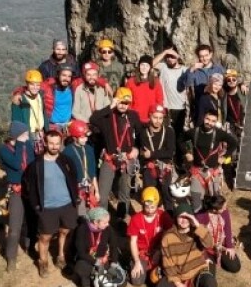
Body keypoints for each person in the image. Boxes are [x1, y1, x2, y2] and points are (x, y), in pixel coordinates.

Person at [24, 130, 80, 277]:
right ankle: (43, 262)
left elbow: (74, 179)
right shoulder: (36, 165)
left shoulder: (67, 160)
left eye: (57, 143)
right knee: (45, 237)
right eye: (51, 143)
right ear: (45, 143)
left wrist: (75, 198)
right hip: (47, 207)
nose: (54, 147)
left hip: (67, 204)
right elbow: (29, 186)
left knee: (65, 231)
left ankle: (61, 256)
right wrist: (36, 206)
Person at [154, 209, 218, 287]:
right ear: (175, 218)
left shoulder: (198, 230)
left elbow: (210, 244)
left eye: (187, 217)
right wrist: (178, 284)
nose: (184, 220)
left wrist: (197, 224)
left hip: (197, 270)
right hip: (178, 275)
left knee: (211, 285)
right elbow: (167, 263)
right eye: (181, 217)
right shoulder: (168, 237)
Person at [90, 87, 143, 216]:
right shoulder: (107, 116)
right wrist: (111, 106)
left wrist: (137, 149)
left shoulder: (133, 116)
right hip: (110, 159)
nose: (123, 106)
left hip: (127, 159)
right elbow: (93, 119)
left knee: (124, 193)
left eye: (126, 103)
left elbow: (141, 135)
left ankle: (121, 217)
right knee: (103, 195)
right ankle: (102, 219)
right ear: (115, 101)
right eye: (120, 102)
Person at [181, 109, 237, 212]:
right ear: (203, 118)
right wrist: (186, 152)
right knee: (196, 201)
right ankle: (200, 220)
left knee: (216, 202)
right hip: (197, 172)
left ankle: (215, 222)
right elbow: (180, 139)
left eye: (213, 121)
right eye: (207, 119)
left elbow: (234, 143)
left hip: (213, 172)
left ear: (216, 122)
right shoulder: (194, 132)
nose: (209, 123)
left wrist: (225, 156)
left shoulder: (219, 134)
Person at [0, 121, 34, 272]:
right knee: (14, 226)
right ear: (18, 135)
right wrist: (19, 144)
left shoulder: (28, 145)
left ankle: (29, 247)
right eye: (25, 133)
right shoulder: (3, 149)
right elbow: (16, 164)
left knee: (31, 222)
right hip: (16, 190)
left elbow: (32, 164)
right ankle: (11, 257)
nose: (28, 136)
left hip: (30, 189)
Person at [127, 186, 173, 286]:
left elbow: (171, 234)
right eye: (146, 207)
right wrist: (137, 261)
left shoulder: (163, 215)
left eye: (152, 207)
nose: (149, 210)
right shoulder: (136, 219)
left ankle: (152, 273)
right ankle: (136, 265)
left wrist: (160, 250)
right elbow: (133, 242)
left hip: (159, 251)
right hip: (142, 253)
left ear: (157, 205)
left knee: (159, 279)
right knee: (137, 281)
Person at [138, 104, 178, 211]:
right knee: (149, 192)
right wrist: (147, 155)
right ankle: (149, 216)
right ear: (150, 116)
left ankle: (170, 217)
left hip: (165, 166)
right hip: (149, 166)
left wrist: (151, 154)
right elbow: (143, 150)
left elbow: (170, 152)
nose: (158, 121)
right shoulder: (143, 132)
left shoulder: (169, 131)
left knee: (166, 192)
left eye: (160, 118)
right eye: (155, 117)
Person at [71, 207, 119, 287]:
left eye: (108, 222)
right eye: (105, 222)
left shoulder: (107, 228)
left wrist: (114, 264)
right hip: (88, 259)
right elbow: (81, 252)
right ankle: (85, 284)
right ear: (95, 222)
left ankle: (95, 277)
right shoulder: (82, 229)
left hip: (103, 259)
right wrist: (95, 262)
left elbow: (114, 246)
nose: (107, 224)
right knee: (80, 268)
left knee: (119, 284)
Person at [196, 193, 241, 273]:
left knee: (235, 267)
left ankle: (219, 258)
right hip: (206, 247)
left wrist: (230, 247)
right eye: (223, 208)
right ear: (214, 210)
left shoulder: (224, 212)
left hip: (221, 245)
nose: (225, 209)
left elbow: (227, 229)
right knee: (209, 275)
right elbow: (198, 238)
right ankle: (210, 258)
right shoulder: (200, 217)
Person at [62, 119, 99, 216]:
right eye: (82, 137)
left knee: (91, 214)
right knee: (81, 215)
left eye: (86, 137)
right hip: (77, 190)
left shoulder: (89, 149)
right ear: (74, 137)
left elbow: (93, 172)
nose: (85, 139)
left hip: (90, 188)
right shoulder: (67, 152)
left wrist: (97, 191)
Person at [183, 44, 225, 124]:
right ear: (198, 56)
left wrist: (241, 83)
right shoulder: (195, 70)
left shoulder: (218, 68)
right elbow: (186, 84)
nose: (204, 58)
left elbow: (229, 78)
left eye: (206, 55)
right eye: (201, 56)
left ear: (211, 54)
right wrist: (192, 69)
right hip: (201, 105)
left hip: (216, 104)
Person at [154, 47, 189, 137]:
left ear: (177, 57)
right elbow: (151, 64)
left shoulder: (185, 70)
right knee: (164, 133)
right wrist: (165, 52)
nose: (169, 58)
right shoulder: (163, 67)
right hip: (165, 106)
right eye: (168, 56)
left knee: (178, 134)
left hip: (180, 107)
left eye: (172, 56)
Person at [125, 57, 165, 124]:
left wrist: (156, 114)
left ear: (150, 68)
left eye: (147, 65)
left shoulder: (156, 82)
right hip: (135, 117)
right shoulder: (131, 81)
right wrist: (130, 113)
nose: (144, 67)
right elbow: (127, 99)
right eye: (142, 65)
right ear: (139, 66)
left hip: (151, 117)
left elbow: (160, 100)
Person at [10, 70, 47, 137]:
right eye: (32, 84)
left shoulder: (40, 96)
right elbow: (16, 119)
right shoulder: (20, 99)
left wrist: (45, 130)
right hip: (28, 133)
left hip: (40, 132)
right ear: (27, 84)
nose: (35, 87)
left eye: (38, 85)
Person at [42, 67, 78, 134]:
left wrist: (104, 83)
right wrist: (18, 93)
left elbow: (90, 77)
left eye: (69, 76)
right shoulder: (49, 88)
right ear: (58, 75)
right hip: (53, 126)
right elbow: (32, 86)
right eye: (63, 75)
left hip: (68, 126)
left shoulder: (73, 88)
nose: (66, 79)